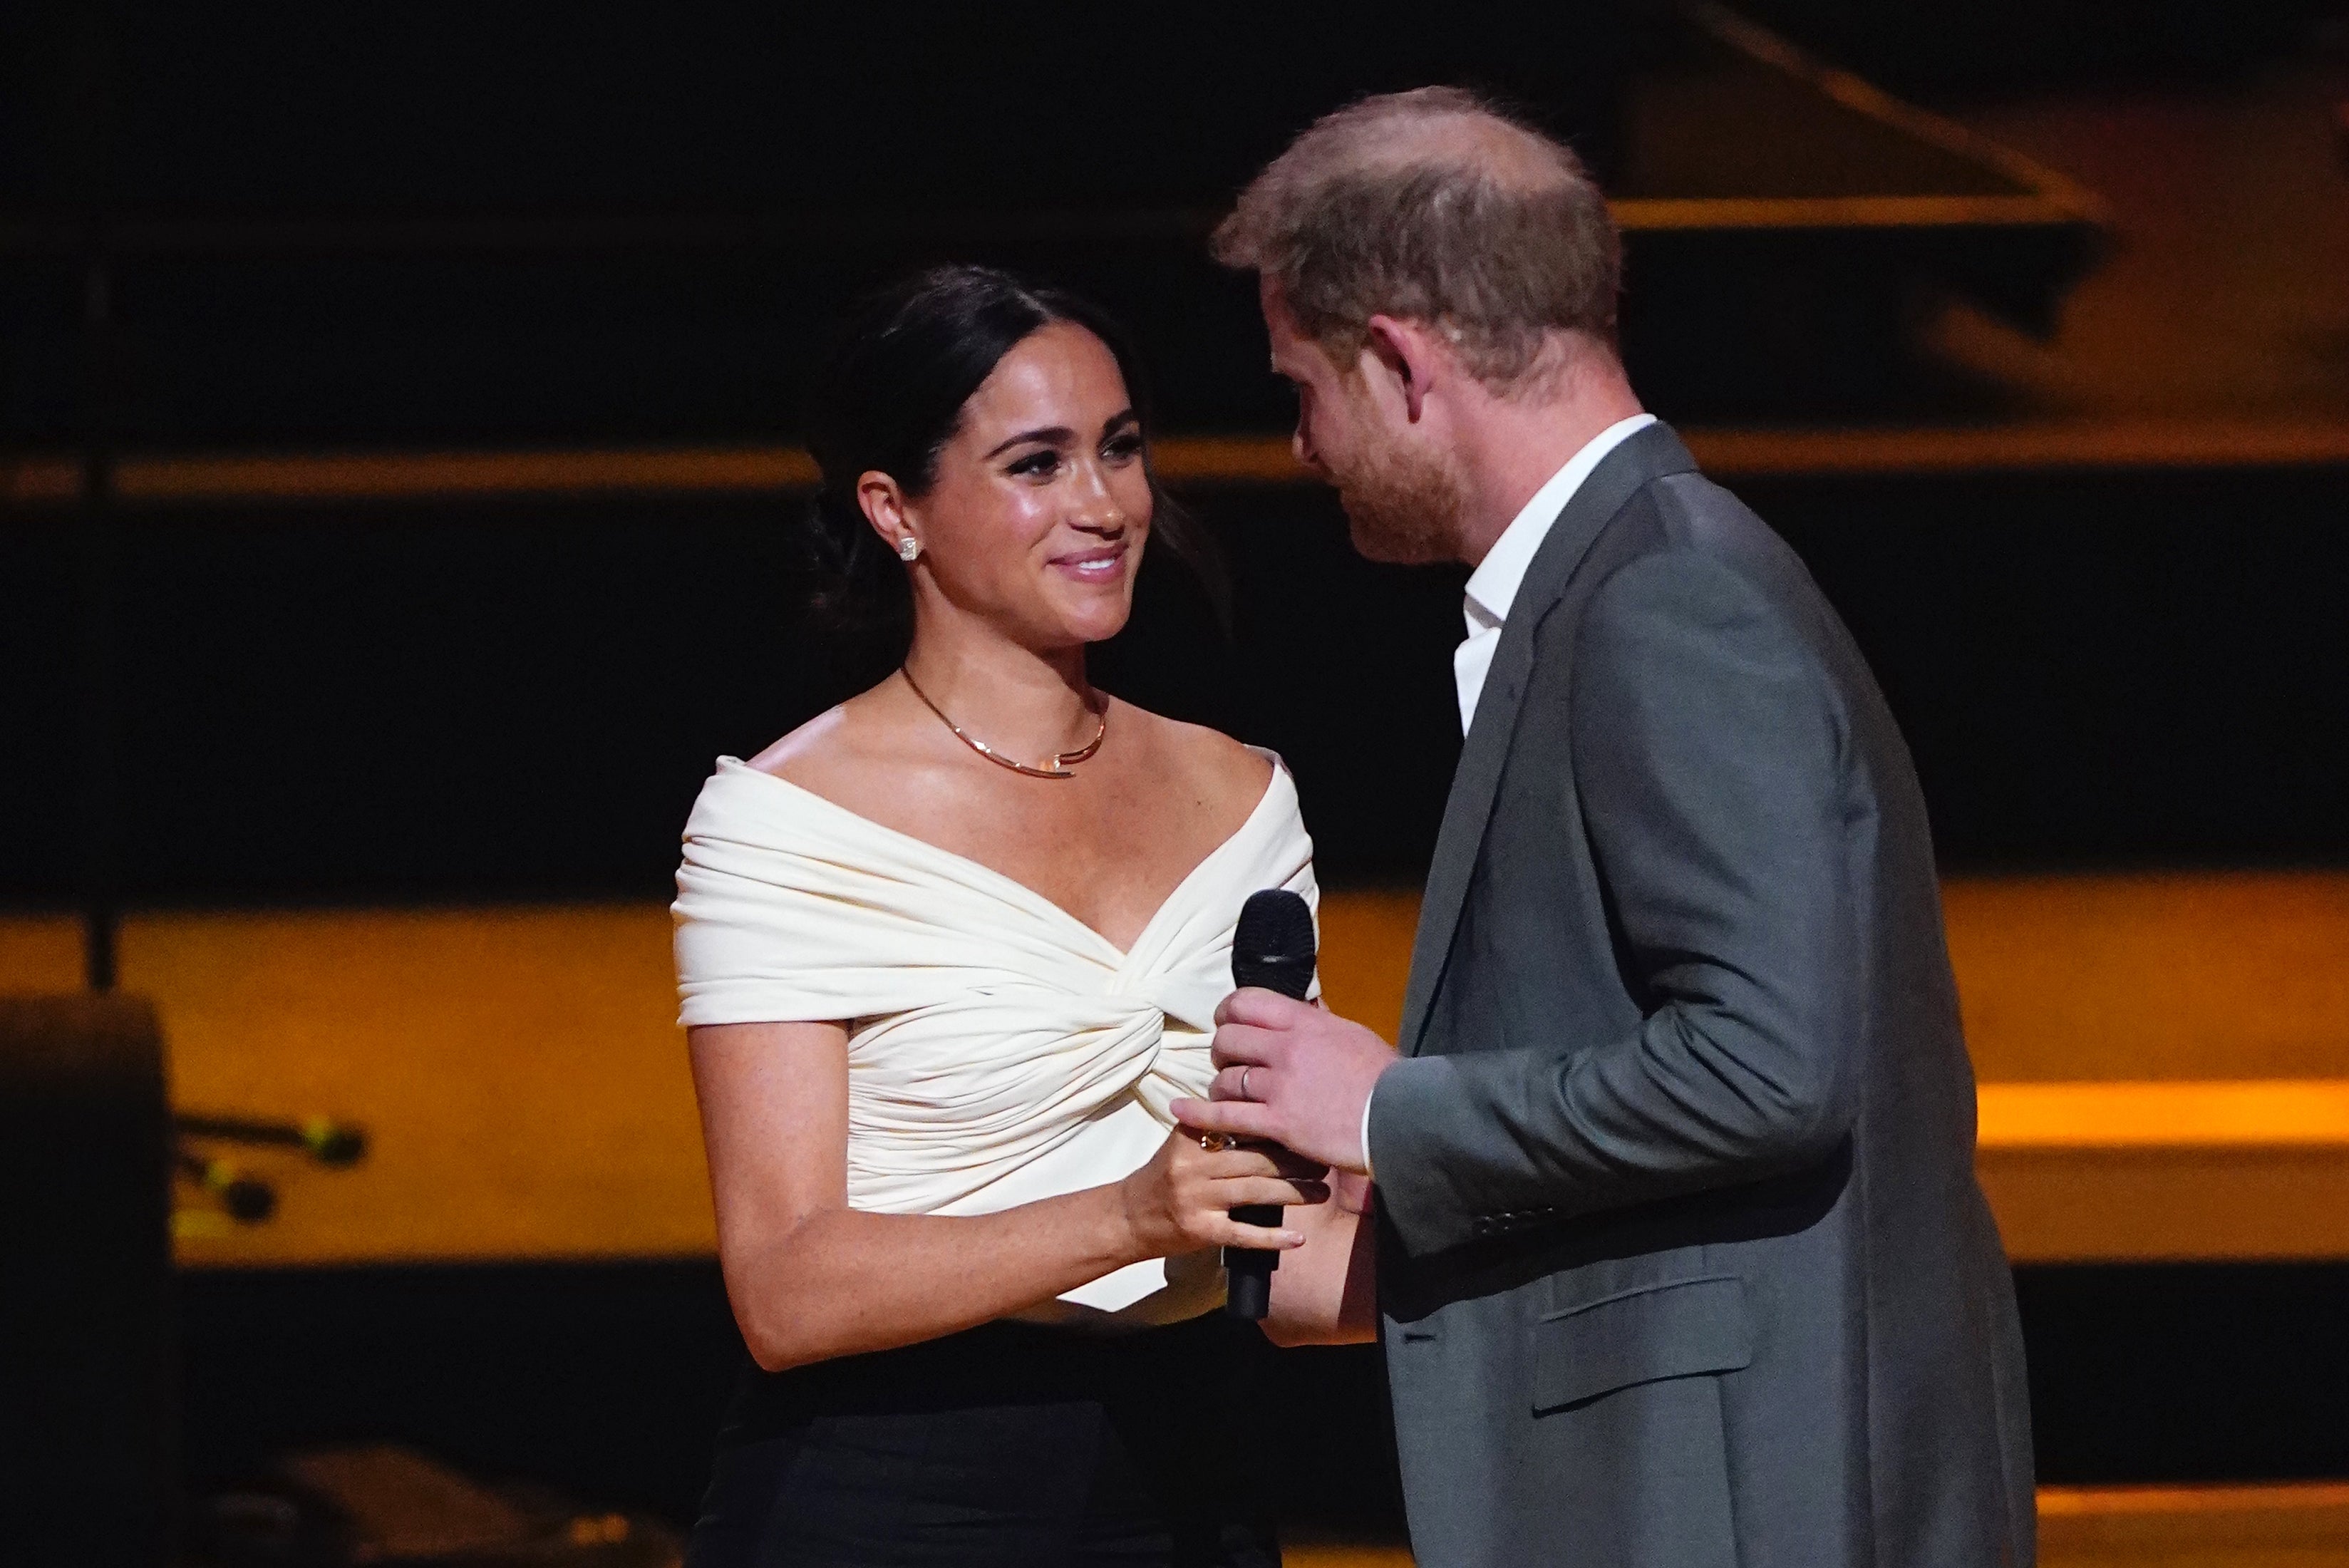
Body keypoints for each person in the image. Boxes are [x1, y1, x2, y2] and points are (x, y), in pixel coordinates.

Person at [1175, 89, 2037, 1568]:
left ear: (1396, 359)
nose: (1303, 447)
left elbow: (1772, 1066)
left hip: (1743, 1497)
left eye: (1299, 387)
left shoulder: (1661, 603)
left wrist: (1388, 1108)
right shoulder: (1637, 576)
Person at [670, 264, 1370, 1568]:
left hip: (1193, 1484)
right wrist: (1127, 1218)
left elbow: (1289, 1256)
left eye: (1119, 449)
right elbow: (784, 1287)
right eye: (1036, 464)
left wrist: (1529, 1245)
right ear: (897, 510)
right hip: (885, 1496)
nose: (1104, 504)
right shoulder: (787, 821)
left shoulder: (1244, 796)